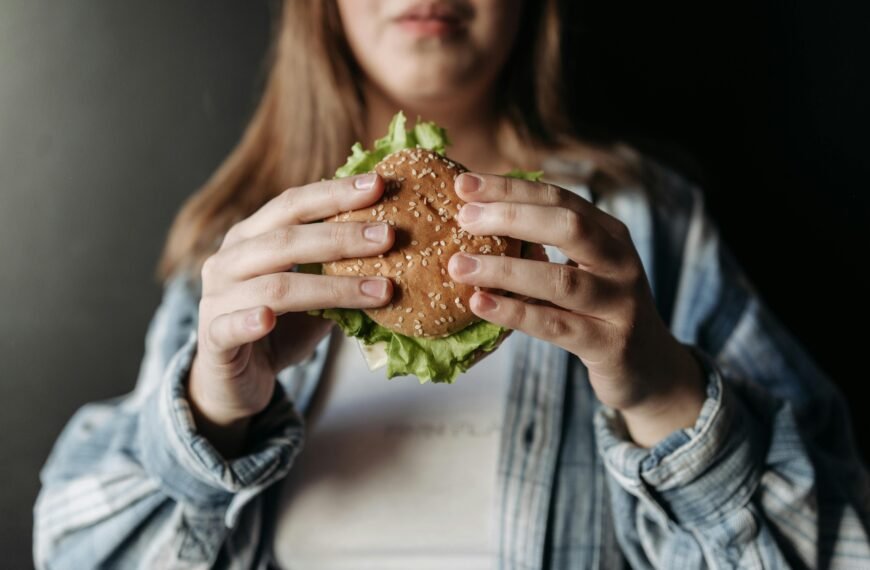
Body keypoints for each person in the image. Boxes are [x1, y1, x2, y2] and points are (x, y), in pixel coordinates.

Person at [33, 1, 870, 568]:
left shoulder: (653, 228)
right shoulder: (241, 253)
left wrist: (662, 394)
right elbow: (71, 544)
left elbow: (837, 541)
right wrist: (211, 416)